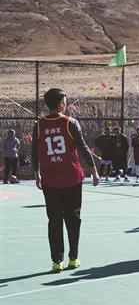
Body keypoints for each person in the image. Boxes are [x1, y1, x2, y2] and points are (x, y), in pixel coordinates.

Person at [31, 88, 99, 272]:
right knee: (73, 219)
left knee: (54, 221)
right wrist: (94, 170)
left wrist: (36, 173)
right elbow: (83, 147)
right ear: (61, 103)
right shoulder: (70, 122)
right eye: (65, 101)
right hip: (72, 179)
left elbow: (34, 151)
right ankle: (73, 258)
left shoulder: (39, 125)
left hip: (49, 180)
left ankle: (56, 261)